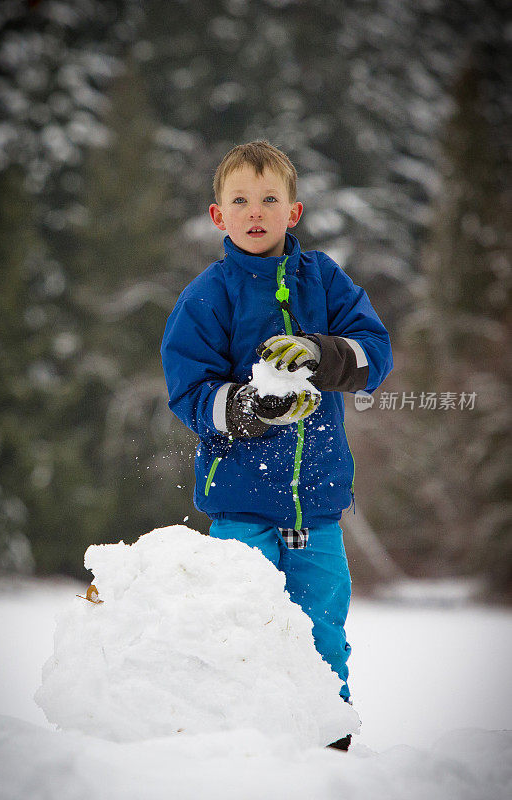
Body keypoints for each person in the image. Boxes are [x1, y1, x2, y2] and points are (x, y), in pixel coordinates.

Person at [161, 141, 393, 750]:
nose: (255, 211)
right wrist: (247, 408)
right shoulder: (208, 296)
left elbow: (375, 350)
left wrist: (323, 353)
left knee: (322, 629)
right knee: (240, 629)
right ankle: (241, 746)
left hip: (318, 508)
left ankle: (328, 743)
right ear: (219, 215)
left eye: (270, 199)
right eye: (240, 200)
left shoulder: (325, 280)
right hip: (241, 506)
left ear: (294, 212)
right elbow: (189, 391)